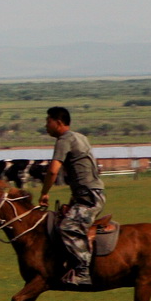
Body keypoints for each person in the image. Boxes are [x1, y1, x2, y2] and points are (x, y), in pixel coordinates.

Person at [37, 106, 105, 287]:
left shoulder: (64, 140)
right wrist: (72, 201)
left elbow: (53, 171)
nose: (45, 125)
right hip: (87, 195)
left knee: (67, 227)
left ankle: (83, 272)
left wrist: (44, 193)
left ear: (58, 123)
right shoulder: (80, 137)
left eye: (48, 121)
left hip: (89, 197)